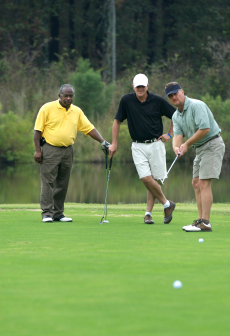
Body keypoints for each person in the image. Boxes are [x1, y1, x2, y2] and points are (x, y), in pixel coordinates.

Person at [34, 84, 110, 223]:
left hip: (68, 150)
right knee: (48, 182)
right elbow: (37, 131)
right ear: (59, 96)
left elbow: (89, 128)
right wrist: (38, 150)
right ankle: (47, 213)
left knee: (63, 182)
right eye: (66, 96)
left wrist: (102, 141)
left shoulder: (77, 111)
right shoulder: (47, 108)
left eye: (71, 96)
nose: (68, 98)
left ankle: (58, 213)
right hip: (50, 149)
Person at [109, 73, 176, 224]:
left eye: (142, 86)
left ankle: (148, 214)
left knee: (154, 180)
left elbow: (176, 115)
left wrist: (170, 134)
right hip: (138, 145)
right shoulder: (126, 100)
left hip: (156, 144)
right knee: (146, 178)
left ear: (147, 86)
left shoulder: (157, 101)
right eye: (137, 86)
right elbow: (117, 121)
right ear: (133, 86)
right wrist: (114, 143)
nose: (140, 89)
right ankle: (167, 204)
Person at [165, 82, 225, 232]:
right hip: (200, 148)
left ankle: (205, 222)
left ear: (182, 92)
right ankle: (200, 221)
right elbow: (177, 135)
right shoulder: (175, 115)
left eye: (176, 93)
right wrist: (177, 147)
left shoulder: (196, 106)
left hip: (212, 144)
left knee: (204, 183)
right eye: (170, 96)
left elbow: (204, 129)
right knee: (196, 183)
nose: (174, 97)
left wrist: (186, 144)